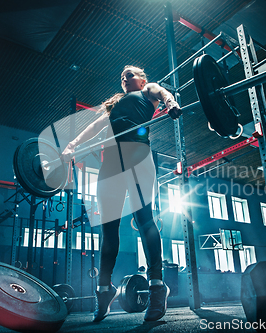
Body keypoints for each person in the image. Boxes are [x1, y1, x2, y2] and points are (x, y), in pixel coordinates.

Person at [62, 66, 182, 322]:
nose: (125, 78)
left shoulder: (147, 92)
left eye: (130, 75)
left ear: (141, 79)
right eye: (122, 77)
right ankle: (104, 290)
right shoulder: (115, 105)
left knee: (144, 219)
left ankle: (158, 288)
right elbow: (95, 126)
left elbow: (163, 92)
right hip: (112, 163)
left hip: (138, 154)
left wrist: (170, 102)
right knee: (109, 229)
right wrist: (73, 144)